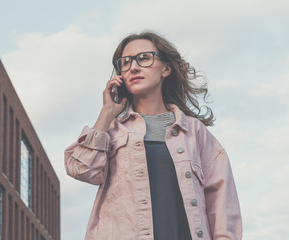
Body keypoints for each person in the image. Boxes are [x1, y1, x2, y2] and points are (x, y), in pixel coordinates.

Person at [64, 32, 242, 240]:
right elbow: (82, 170)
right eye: (126, 62)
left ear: (166, 69)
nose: (134, 67)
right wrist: (106, 114)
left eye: (144, 58)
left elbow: (222, 202)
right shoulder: (112, 130)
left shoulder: (194, 132)